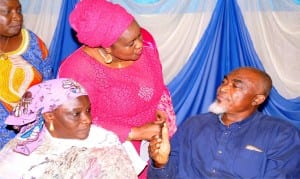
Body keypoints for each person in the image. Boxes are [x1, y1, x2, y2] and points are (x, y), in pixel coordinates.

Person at [58, 0, 177, 177]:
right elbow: (74, 122)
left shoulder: (145, 45)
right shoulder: (76, 71)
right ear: (106, 47)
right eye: (130, 43)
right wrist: (135, 133)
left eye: (138, 35)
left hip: (151, 145)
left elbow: (159, 86)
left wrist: (160, 109)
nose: (140, 44)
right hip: (108, 155)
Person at [148, 67, 300, 178]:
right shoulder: (194, 125)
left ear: (257, 99)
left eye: (235, 85)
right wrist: (161, 163)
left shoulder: (282, 134)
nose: (223, 88)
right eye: (224, 82)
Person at [0, 78, 137, 178]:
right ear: (49, 116)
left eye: (88, 110)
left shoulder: (103, 139)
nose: (88, 120)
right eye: (76, 114)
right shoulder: (20, 154)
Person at [0, 0, 53, 149]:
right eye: (7, 12)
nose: (17, 17)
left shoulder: (34, 43)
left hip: (33, 135)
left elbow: (49, 86)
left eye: (18, 10)